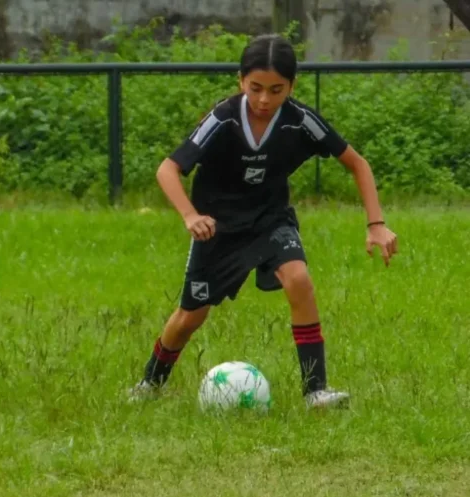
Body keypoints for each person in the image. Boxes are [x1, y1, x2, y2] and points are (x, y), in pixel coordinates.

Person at [128, 34, 398, 408]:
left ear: (292, 86)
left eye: (276, 89)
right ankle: (149, 384)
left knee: (298, 279)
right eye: (255, 88)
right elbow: (168, 169)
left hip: (271, 220)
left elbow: (358, 164)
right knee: (190, 317)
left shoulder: (300, 121)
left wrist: (376, 224)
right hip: (218, 228)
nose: (264, 100)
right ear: (240, 80)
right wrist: (191, 215)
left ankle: (315, 391)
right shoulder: (222, 118)